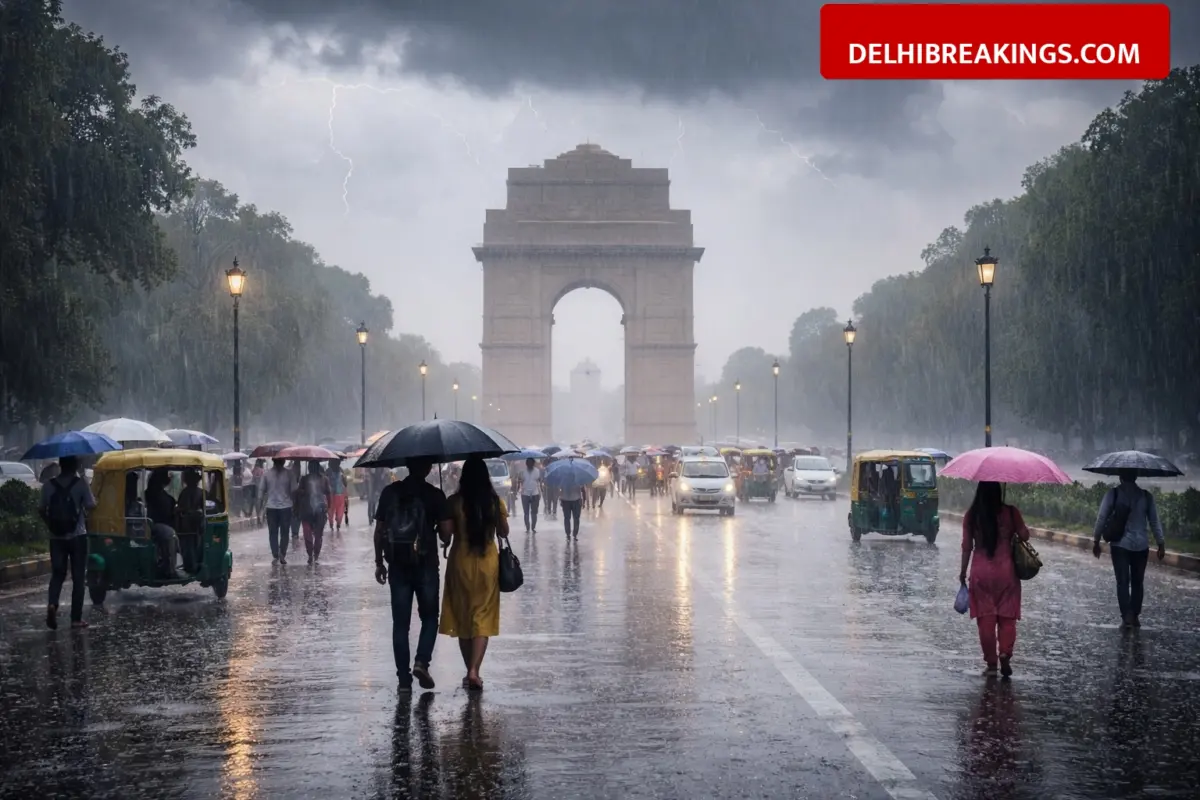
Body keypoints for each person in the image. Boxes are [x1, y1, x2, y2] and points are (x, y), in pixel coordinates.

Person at [374, 458, 453, 693]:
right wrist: (440, 529)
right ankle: (421, 661)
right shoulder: (434, 495)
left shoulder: (390, 492)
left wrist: (379, 562)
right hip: (426, 564)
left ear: (407, 466)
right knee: (429, 617)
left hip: (397, 565)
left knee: (401, 624)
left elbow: (379, 531)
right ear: (429, 468)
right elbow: (446, 535)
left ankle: (403, 681)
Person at [439, 457, 508, 692]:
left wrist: (444, 517)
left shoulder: (455, 502)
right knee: (482, 617)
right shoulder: (494, 501)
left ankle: (468, 669)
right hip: (488, 564)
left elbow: (445, 536)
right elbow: (504, 531)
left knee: (464, 617)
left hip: (461, 564)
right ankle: (474, 671)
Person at [959, 481, 1031, 677]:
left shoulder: (972, 516)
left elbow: (966, 547)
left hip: (981, 573)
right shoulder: (1011, 512)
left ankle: (991, 664)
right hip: (1007, 571)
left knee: (986, 619)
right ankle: (1005, 652)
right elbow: (1025, 536)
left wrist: (962, 572)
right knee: (1007, 617)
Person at [1092, 470, 1166, 628]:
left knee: (1122, 581)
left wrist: (1096, 540)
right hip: (1141, 546)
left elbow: (1101, 517)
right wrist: (1161, 543)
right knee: (1138, 582)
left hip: (1120, 545)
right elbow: (1154, 521)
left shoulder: (1113, 494)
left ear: (1120, 477)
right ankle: (1135, 614)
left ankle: (1127, 616)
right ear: (1136, 477)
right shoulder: (1146, 496)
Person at [39, 456, 96, 630]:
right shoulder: (81, 484)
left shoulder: (48, 485)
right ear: (75, 466)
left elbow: (41, 509)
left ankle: (52, 604)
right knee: (79, 577)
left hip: (56, 538)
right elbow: (91, 504)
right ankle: (75, 619)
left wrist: (51, 525)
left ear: (61, 466)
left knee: (57, 574)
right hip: (78, 536)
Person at [145, 468, 183, 579]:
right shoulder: (155, 495)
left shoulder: (149, 494)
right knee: (170, 534)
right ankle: (170, 570)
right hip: (154, 525)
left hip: (155, 524)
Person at [260, 458, 295, 565]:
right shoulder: (290, 474)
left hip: (271, 507)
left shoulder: (266, 474)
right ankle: (282, 554)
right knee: (285, 532)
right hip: (286, 507)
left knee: (273, 532)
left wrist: (260, 509)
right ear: (284, 461)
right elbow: (294, 490)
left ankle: (275, 554)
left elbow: (260, 492)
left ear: (273, 461)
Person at [176, 469, 206, 573]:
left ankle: (190, 566)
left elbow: (180, 508)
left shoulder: (184, 493)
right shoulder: (202, 493)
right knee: (196, 545)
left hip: (186, 525)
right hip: (196, 524)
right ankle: (196, 565)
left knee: (187, 546)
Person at [301, 462, 331, 565]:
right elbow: (328, 494)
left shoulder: (306, 479)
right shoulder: (322, 479)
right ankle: (314, 556)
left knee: (312, 534)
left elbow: (328, 494)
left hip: (314, 510)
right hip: (312, 510)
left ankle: (312, 555)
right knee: (314, 534)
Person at [519, 458, 542, 533]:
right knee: (526, 512)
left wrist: (540, 492)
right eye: (528, 463)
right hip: (525, 494)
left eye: (531, 463)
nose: (530, 464)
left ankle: (533, 527)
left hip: (535, 494)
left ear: (533, 464)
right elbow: (520, 481)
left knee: (534, 512)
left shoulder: (537, 471)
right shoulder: (522, 472)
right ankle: (527, 527)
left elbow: (539, 481)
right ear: (526, 464)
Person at [327, 459, 348, 533]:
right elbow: (345, 483)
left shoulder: (328, 471)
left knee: (330, 509)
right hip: (340, 493)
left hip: (330, 493)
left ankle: (331, 523)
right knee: (340, 509)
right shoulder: (341, 470)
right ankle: (338, 523)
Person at [250, 459, 266, 525]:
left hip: (254, 488)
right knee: (262, 503)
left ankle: (258, 516)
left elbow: (252, 478)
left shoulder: (253, 470)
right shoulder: (262, 471)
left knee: (256, 503)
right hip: (260, 489)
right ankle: (261, 516)